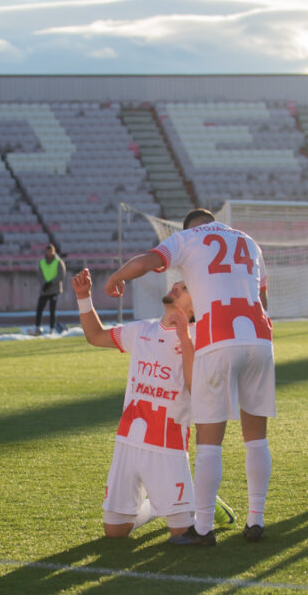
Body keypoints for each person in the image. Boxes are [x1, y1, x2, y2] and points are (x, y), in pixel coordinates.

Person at [105, 208, 274, 545]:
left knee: (210, 439)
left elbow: (146, 261)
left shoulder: (188, 238)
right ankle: (256, 521)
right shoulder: (250, 242)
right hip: (259, 336)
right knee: (256, 436)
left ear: (189, 227)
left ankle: (204, 527)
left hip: (217, 336)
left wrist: (115, 278)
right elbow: (263, 298)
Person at [71, 267, 237, 540]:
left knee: (182, 534)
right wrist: (83, 296)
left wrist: (184, 339)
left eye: (184, 288)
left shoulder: (199, 340)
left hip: (167, 447)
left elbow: (196, 389)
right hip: (128, 441)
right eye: (178, 284)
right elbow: (95, 336)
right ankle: (172, 501)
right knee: (114, 531)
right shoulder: (142, 330)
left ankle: (191, 500)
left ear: (196, 306)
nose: (176, 287)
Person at [34, 244, 65, 336]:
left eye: (51, 251)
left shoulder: (58, 262)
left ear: (54, 251)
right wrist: (44, 283)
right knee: (39, 308)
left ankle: (52, 329)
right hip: (45, 290)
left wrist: (51, 282)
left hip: (54, 290)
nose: (49, 253)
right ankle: (37, 327)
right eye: (48, 251)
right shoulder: (42, 262)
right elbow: (39, 275)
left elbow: (61, 275)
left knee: (52, 309)